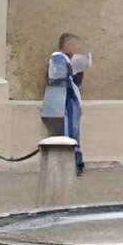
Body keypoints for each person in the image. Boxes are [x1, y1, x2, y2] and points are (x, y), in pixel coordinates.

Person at [40, 33, 88, 175]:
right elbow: (56, 77)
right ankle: (65, 164)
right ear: (65, 45)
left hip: (70, 98)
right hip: (60, 99)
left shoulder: (69, 59)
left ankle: (76, 162)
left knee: (73, 129)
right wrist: (71, 72)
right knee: (64, 129)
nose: (74, 48)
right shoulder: (57, 58)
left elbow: (77, 82)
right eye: (72, 45)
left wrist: (79, 71)